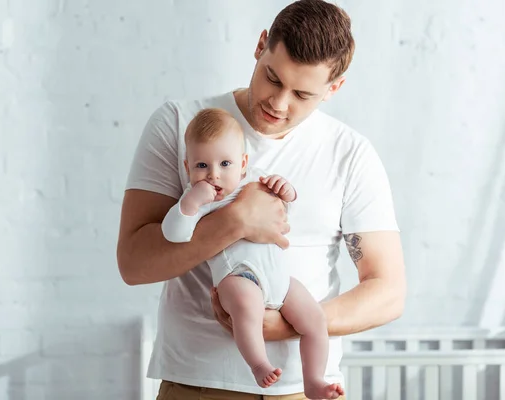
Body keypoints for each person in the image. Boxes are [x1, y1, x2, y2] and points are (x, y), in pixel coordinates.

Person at [117, 0, 407, 398]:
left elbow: (388, 291)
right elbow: (134, 263)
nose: (279, 102)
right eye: (273, 78)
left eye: (302, 94)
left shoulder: (350, 153)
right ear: (260, 45)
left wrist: (288, 323)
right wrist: (234, 222)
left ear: (333, 89)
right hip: (198, 385)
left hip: (303, 391)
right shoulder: (181, 124)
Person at [160, 107, 344, 398]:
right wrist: (190, 203)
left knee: (315, 320)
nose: (214, 176)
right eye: (201, 166)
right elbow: (174, 233)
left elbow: (284, 212)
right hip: (238, 276)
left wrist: (286, 191)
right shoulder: (196, 200)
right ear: (187, 167)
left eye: (224, 163)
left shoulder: (256, 181)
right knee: (247, 308)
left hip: (280, 280)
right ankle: (258, 364)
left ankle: (314, 379)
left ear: (243, 164)